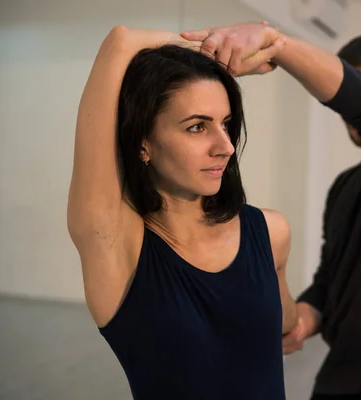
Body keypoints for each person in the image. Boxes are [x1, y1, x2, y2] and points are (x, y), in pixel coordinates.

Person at [181, 22, 361, 400]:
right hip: (340, 378)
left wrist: (276, 45)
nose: (354, 109)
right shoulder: (345, 187)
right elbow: (332, 281)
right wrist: (300, 321)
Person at [66, 26, 297, 399]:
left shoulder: (271, 231)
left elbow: (288, 324)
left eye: (225, 124)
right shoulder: (113, 245)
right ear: (144, 143)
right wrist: (213, 51)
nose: (225, 146)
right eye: (196, 127)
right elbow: (120, 42)